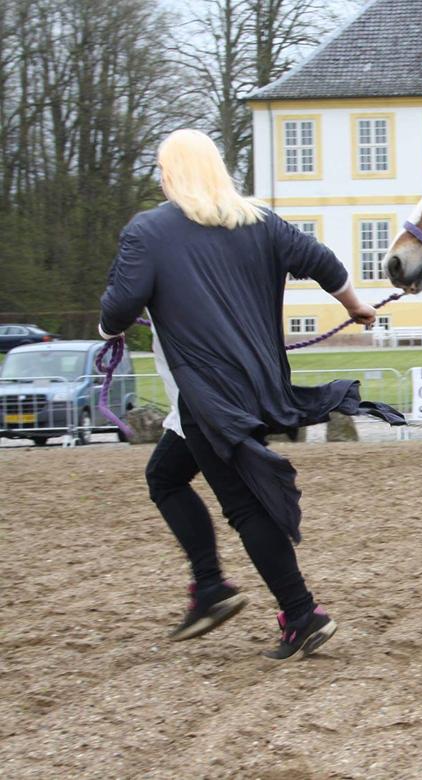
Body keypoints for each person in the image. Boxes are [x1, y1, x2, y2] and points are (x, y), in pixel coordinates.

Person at [100, 129, 403, 660]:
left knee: (242, 506)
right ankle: (210, 587)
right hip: (256, 386)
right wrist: (356, 306)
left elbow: (118, 308)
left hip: (209, 398)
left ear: (170, 174)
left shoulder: (147, 231)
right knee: (165, 476)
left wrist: (109, 331)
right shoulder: (259, 220)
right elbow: (325, 263)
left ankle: (302, 613)